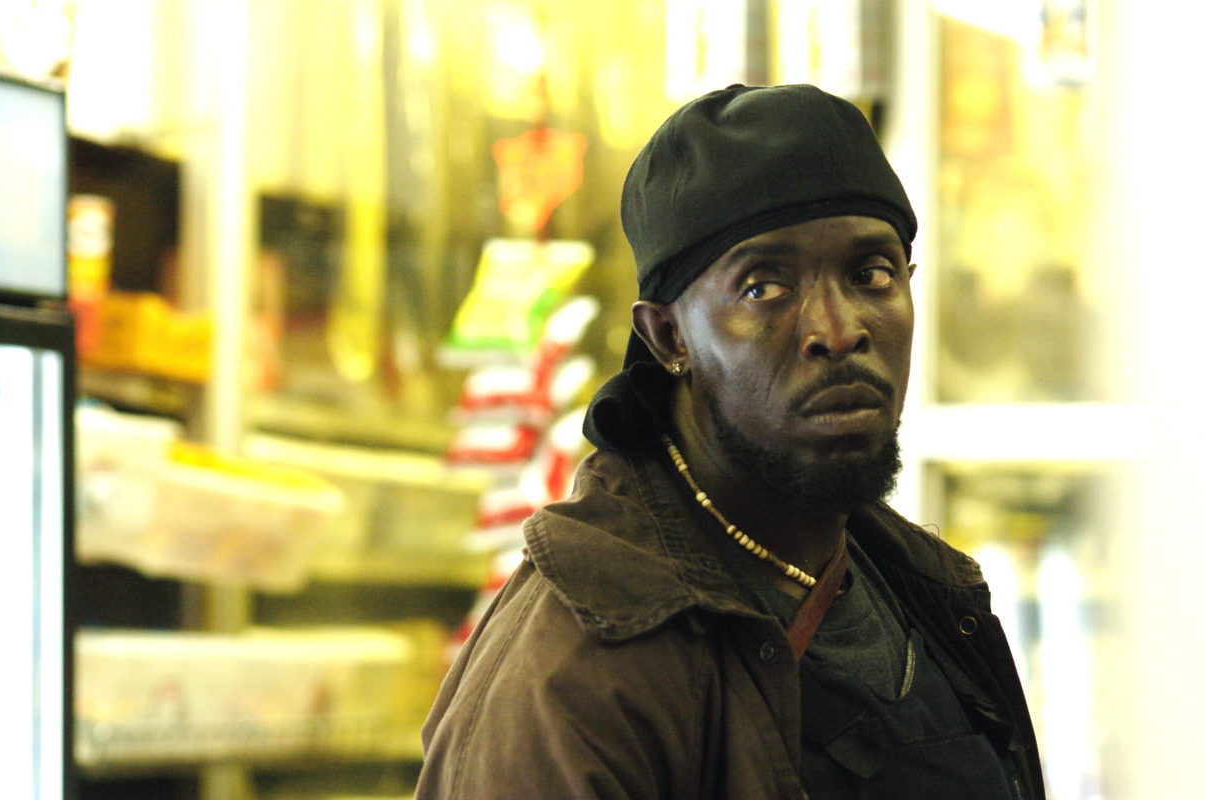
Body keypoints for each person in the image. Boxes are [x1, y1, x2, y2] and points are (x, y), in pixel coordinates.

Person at [415, 84, 1044, 800]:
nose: (838, 330)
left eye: (871, 274)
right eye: (764, 288)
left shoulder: (927, 592)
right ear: (668, 337)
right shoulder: (578, 672)